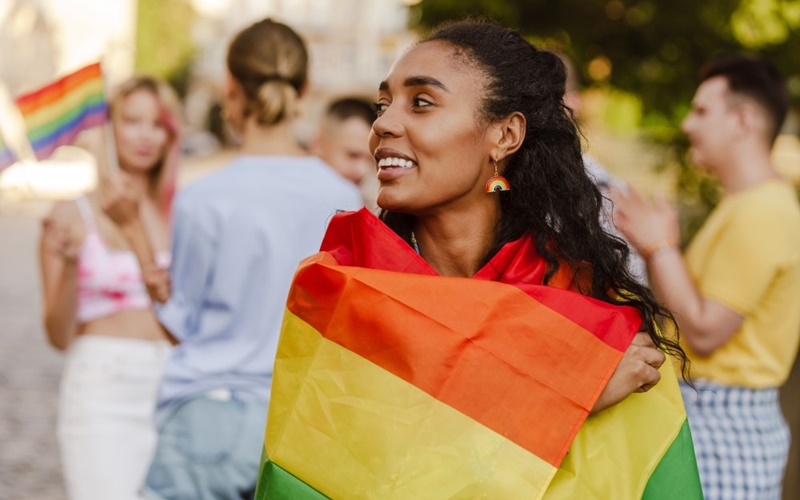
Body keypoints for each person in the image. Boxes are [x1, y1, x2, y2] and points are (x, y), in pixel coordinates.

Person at [256, 20, 701, 498]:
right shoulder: (341, 295)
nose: (383, 123)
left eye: (421, 102)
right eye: (382, 105)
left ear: (504, 135)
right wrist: (563, 400)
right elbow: (316, 473)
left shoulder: (591, 312)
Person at [103, 18, 363, 499]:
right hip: (304, 427)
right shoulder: (345, 198)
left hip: (210, 416)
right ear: (304, 89)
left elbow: (180, 324)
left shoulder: (204, 199)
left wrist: (154, 280)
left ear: (230, 89)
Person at [612, 55, 800, 499]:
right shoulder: (747, 206)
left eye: (701, 111)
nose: (687, 125)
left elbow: (704, 331)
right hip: (715, 417)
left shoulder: (763, 211)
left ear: (742, 120)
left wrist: (659, 247)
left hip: (723, 423)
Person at [38, 75, 180, 500]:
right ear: (109, 126)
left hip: (174, 387)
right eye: (132, 120)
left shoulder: (185, 213)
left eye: (157, 124)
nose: (145, 135)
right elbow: (58, 335)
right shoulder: (69, 217)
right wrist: (66, 263)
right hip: (102, 389)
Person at [558, 51, 647, 283]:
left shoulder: (608, 191)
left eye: (549, 97)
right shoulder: (494, 186)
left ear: (574, 102)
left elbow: (633, 285)